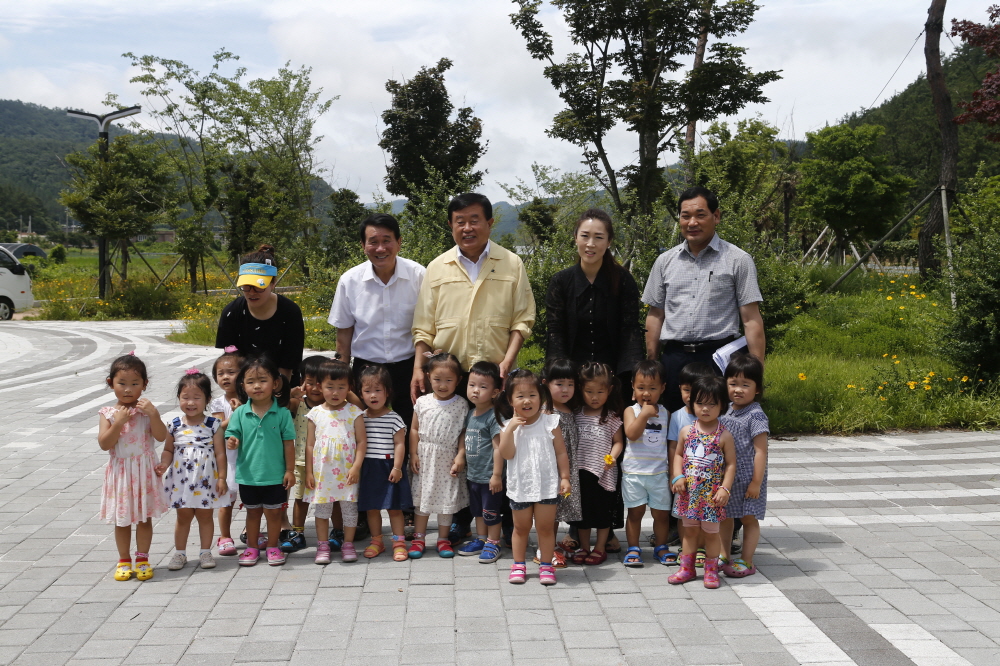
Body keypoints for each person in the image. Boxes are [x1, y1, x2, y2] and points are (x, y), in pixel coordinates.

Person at [642, 186, 765, 412]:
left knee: (721, 425)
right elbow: (655, 314)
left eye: (700, 215)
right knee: (674, 423)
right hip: (674, 359)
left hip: (718, 359)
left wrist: (755, 372)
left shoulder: (738, 260)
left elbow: (750, 319)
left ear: (716, 216)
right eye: (685, 216)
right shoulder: (664, 261)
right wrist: (652, 363)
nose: (692, 223)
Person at [410, 193, 535, 401]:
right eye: (460, 222)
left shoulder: (512, 264)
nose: (467, 228)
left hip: (495, 375)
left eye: (474, 221)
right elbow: (423, 327)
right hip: (447, 378)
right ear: (451, 225)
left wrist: (507, 363)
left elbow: (522, 320)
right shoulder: (437, 267)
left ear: (489, 223)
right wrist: (418, 368)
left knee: (496, 423)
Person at [330, 213, 426, 430]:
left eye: (386, 240)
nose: (380, 248)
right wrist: (342, 377)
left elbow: (428, 326)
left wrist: (422, 368)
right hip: (365, 368)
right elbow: (343, 333)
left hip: (409, 366)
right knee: (363, 430)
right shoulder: (349, 280)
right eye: (373, 242)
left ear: (399, 242)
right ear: (363, 245)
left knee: (410, 427)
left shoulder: (419, 275)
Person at [545, 208, 643, 381]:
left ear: (609, 241)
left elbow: (630, 331)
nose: (590, 244)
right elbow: (556, 332)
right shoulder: (561, 281)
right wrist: (560, 376)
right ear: (576, 237)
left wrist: (631, 376)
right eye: (585, 236)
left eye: (598, 237)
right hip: (571, 378)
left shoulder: (623, 280)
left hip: (613, 376)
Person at [496, 370, 572, 585]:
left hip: (547, 486)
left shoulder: (550, 422)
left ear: (541, 397)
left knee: (545, 528)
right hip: (521, 487)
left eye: (532, 395)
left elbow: (561, 452)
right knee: (520, 528)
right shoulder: (507, 427)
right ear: (510, 399)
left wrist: (565, 477)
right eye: (520, 396)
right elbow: (506, 454)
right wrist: (511, 429)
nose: (527, 401)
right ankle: (518, 565)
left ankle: (546, 565)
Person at [97, 354, 167, 582]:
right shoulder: (108, 413)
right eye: (122, 383)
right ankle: (124, 560)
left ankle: (143, 558)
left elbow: (161, 436)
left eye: (135, 384)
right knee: (122, 519)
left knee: (145, 518)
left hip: (144, 472)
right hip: (122, 474)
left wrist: (154, 414)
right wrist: (118, 422)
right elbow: (104, 444)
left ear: (144, 384)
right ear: (111, 383)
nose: (128, 389)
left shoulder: (146, 411)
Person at [225, 356, 296, 567]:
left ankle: (273, 546)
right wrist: (232, 440)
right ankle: (252, 547)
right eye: (251, 381)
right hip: (249, 475)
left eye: (263, 380)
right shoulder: (240, 413)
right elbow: (232, 434)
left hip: (275, 476)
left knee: (274, 514)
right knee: (252, 513)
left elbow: (289, 444)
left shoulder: (282, 413)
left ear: (275, 383)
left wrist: (289, 470)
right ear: (243, 385)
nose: (257, 386)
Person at [669, 376, 737, 589]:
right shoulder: (686, 431)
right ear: (691, 403)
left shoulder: (724, 435)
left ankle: (711, 570)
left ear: (722, 405)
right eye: (700, 403)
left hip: (711, 497)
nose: (705, 408)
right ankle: (687, 568)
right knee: (689, 531)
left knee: (711, 533)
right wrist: (677, 476)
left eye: (712, 404)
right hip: (689, 495)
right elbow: (678, 454)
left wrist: (725, 488)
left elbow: (731, 464)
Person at [157, 369, 229, 571]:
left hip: (205, 480)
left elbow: (220, 454)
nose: (190, 402)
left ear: (207, 399)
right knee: (183, 517)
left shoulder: (213, 425)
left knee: (205, 516)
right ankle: (179, 553)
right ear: (179, 398)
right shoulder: (174, 424)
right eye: (185, 397)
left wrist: (222, 478)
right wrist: (164, 464)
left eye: (197, 397)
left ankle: (205, 552)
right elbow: (168, 450)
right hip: (182, 481)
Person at [304, 360, 366, 565]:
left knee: (350, 510)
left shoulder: (354, 412)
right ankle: (323, 545)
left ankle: (348, 544)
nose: (335, 392)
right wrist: (309, 472)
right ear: (320, 386)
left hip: (348, 472)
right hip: (323, 473)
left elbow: (361, 442)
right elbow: (310, 445)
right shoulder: (315, 414)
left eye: (341, 387)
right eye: (330, 387)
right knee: (322, 511)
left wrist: (356, 467)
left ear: (349, 388)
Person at [408, 354, 469, 559]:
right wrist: (413, 453)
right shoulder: (422, 402)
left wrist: (461, 455)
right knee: (422, 499)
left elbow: (463, 433)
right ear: (428, 377)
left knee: (446, 500)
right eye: (437, 379)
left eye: (448, 380)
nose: (443, 385)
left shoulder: (461, 404)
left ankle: (443, 539)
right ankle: (419, 538)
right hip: (425, 457)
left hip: (448, 458)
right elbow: (414, 429)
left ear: (458, 380)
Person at [216, 244, 305, 384]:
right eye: (246, 286)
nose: (251, 292)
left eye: (259, 287)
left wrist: (278, 392)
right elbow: (231, 361)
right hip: (245, 384)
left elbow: (289, 362)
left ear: (273, 283)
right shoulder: (232, 312)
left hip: (282, 384)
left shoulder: (290, 312)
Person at [569, 362, 624, 566]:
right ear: (581, 390)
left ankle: (600, 548)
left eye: (600, 392)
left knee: (602, 512)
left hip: (603, 473)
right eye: (589, 392)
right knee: (582, 513)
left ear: (609, 390)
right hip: (580, 472)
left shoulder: (611, 416)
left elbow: (618, 442)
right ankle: (584, 547)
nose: (594, 397)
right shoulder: (576, 414)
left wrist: (613, 456)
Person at [356, 364, 413, 561]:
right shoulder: (360, 418)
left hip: (390, 467)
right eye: (367, 391)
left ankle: (399, 542)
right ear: (361, 394)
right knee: (372, 508)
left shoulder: (394, 418)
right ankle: (377, 541)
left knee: (394, 508)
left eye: (378, 390)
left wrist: (397, 467)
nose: (373, 395)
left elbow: (400, 444)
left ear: (387, 392)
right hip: (369, 468)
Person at [720, 353, 769, 578]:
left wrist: (756, 482)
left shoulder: (756, 415)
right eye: (733, 383)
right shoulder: (727, 409)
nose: (738, 390)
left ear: (757, 389)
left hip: (749, 478)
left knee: (748, 517)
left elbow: (761, 451)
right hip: (729, 477)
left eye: (745, 385)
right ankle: (723, 554)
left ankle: (747, 561)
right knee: (726, 515)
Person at [621, 360, 672, 567]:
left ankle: (661, 547)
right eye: (641, 387)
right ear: (633, 387)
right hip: (634, 473)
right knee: (635, 513)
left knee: (661, 514)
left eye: (652, 388)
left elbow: (670, 444)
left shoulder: (666, 413)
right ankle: (633, 548)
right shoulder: (631, 411)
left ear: (663, 388)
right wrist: (644, 415)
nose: (646, 393)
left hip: (659, 473)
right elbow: (632, 434)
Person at [665, 362, 716, 565]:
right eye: (687, 390)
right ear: (679, 389)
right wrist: (675, 474)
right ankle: (685, 549)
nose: (691, 396)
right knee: (683, 514)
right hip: (685, 478)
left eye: (697, 392)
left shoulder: (714, 419)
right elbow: (673, 447)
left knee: (704, 515)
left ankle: (701, 548)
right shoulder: (678, 416)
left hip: (708, 479)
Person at [456, 362, 505, 562]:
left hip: (489, 477)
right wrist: (460, 456)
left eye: (483, 387)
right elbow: (464, 435)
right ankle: (481, 539)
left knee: (490, 512)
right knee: (477, 511)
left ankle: (494, 542)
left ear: (495, 392)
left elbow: (499, 448)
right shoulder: (471, 413)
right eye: (472, 385)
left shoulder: (494, 416)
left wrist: (496, 475)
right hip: (473, 475)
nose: (475, 390)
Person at [283, 355, 331, 554]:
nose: (316, 388)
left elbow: (357, 404)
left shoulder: (335, 404)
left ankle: (337, 532)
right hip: (302, 461)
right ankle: (297, 533)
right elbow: (277, 405)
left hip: (328, 462)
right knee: (300, 499)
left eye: (322, 383)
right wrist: (290, 393)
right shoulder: (298, 404)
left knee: (333, 499)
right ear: (302, 382)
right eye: (310, 383)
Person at [543, 358, 580, 568]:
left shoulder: (569, 410)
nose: (565, 389)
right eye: (559, 384)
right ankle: (545, 549)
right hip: (551, 469)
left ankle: (551, 546)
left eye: (570, 384)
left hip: (567, 468)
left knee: (558, 510)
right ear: (546, 383)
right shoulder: (545, 412)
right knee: (550, 510)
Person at [209, 347, 244, 556]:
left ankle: (252, 532)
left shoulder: (251, 399)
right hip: (228, 459)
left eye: (231, 372)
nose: (225, 377)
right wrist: (236, 414)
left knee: (252, 500)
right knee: (227, 500)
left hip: (248, 457)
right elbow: (218, 428)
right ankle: (224, 536)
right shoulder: (218, 402)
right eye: (220, 373)